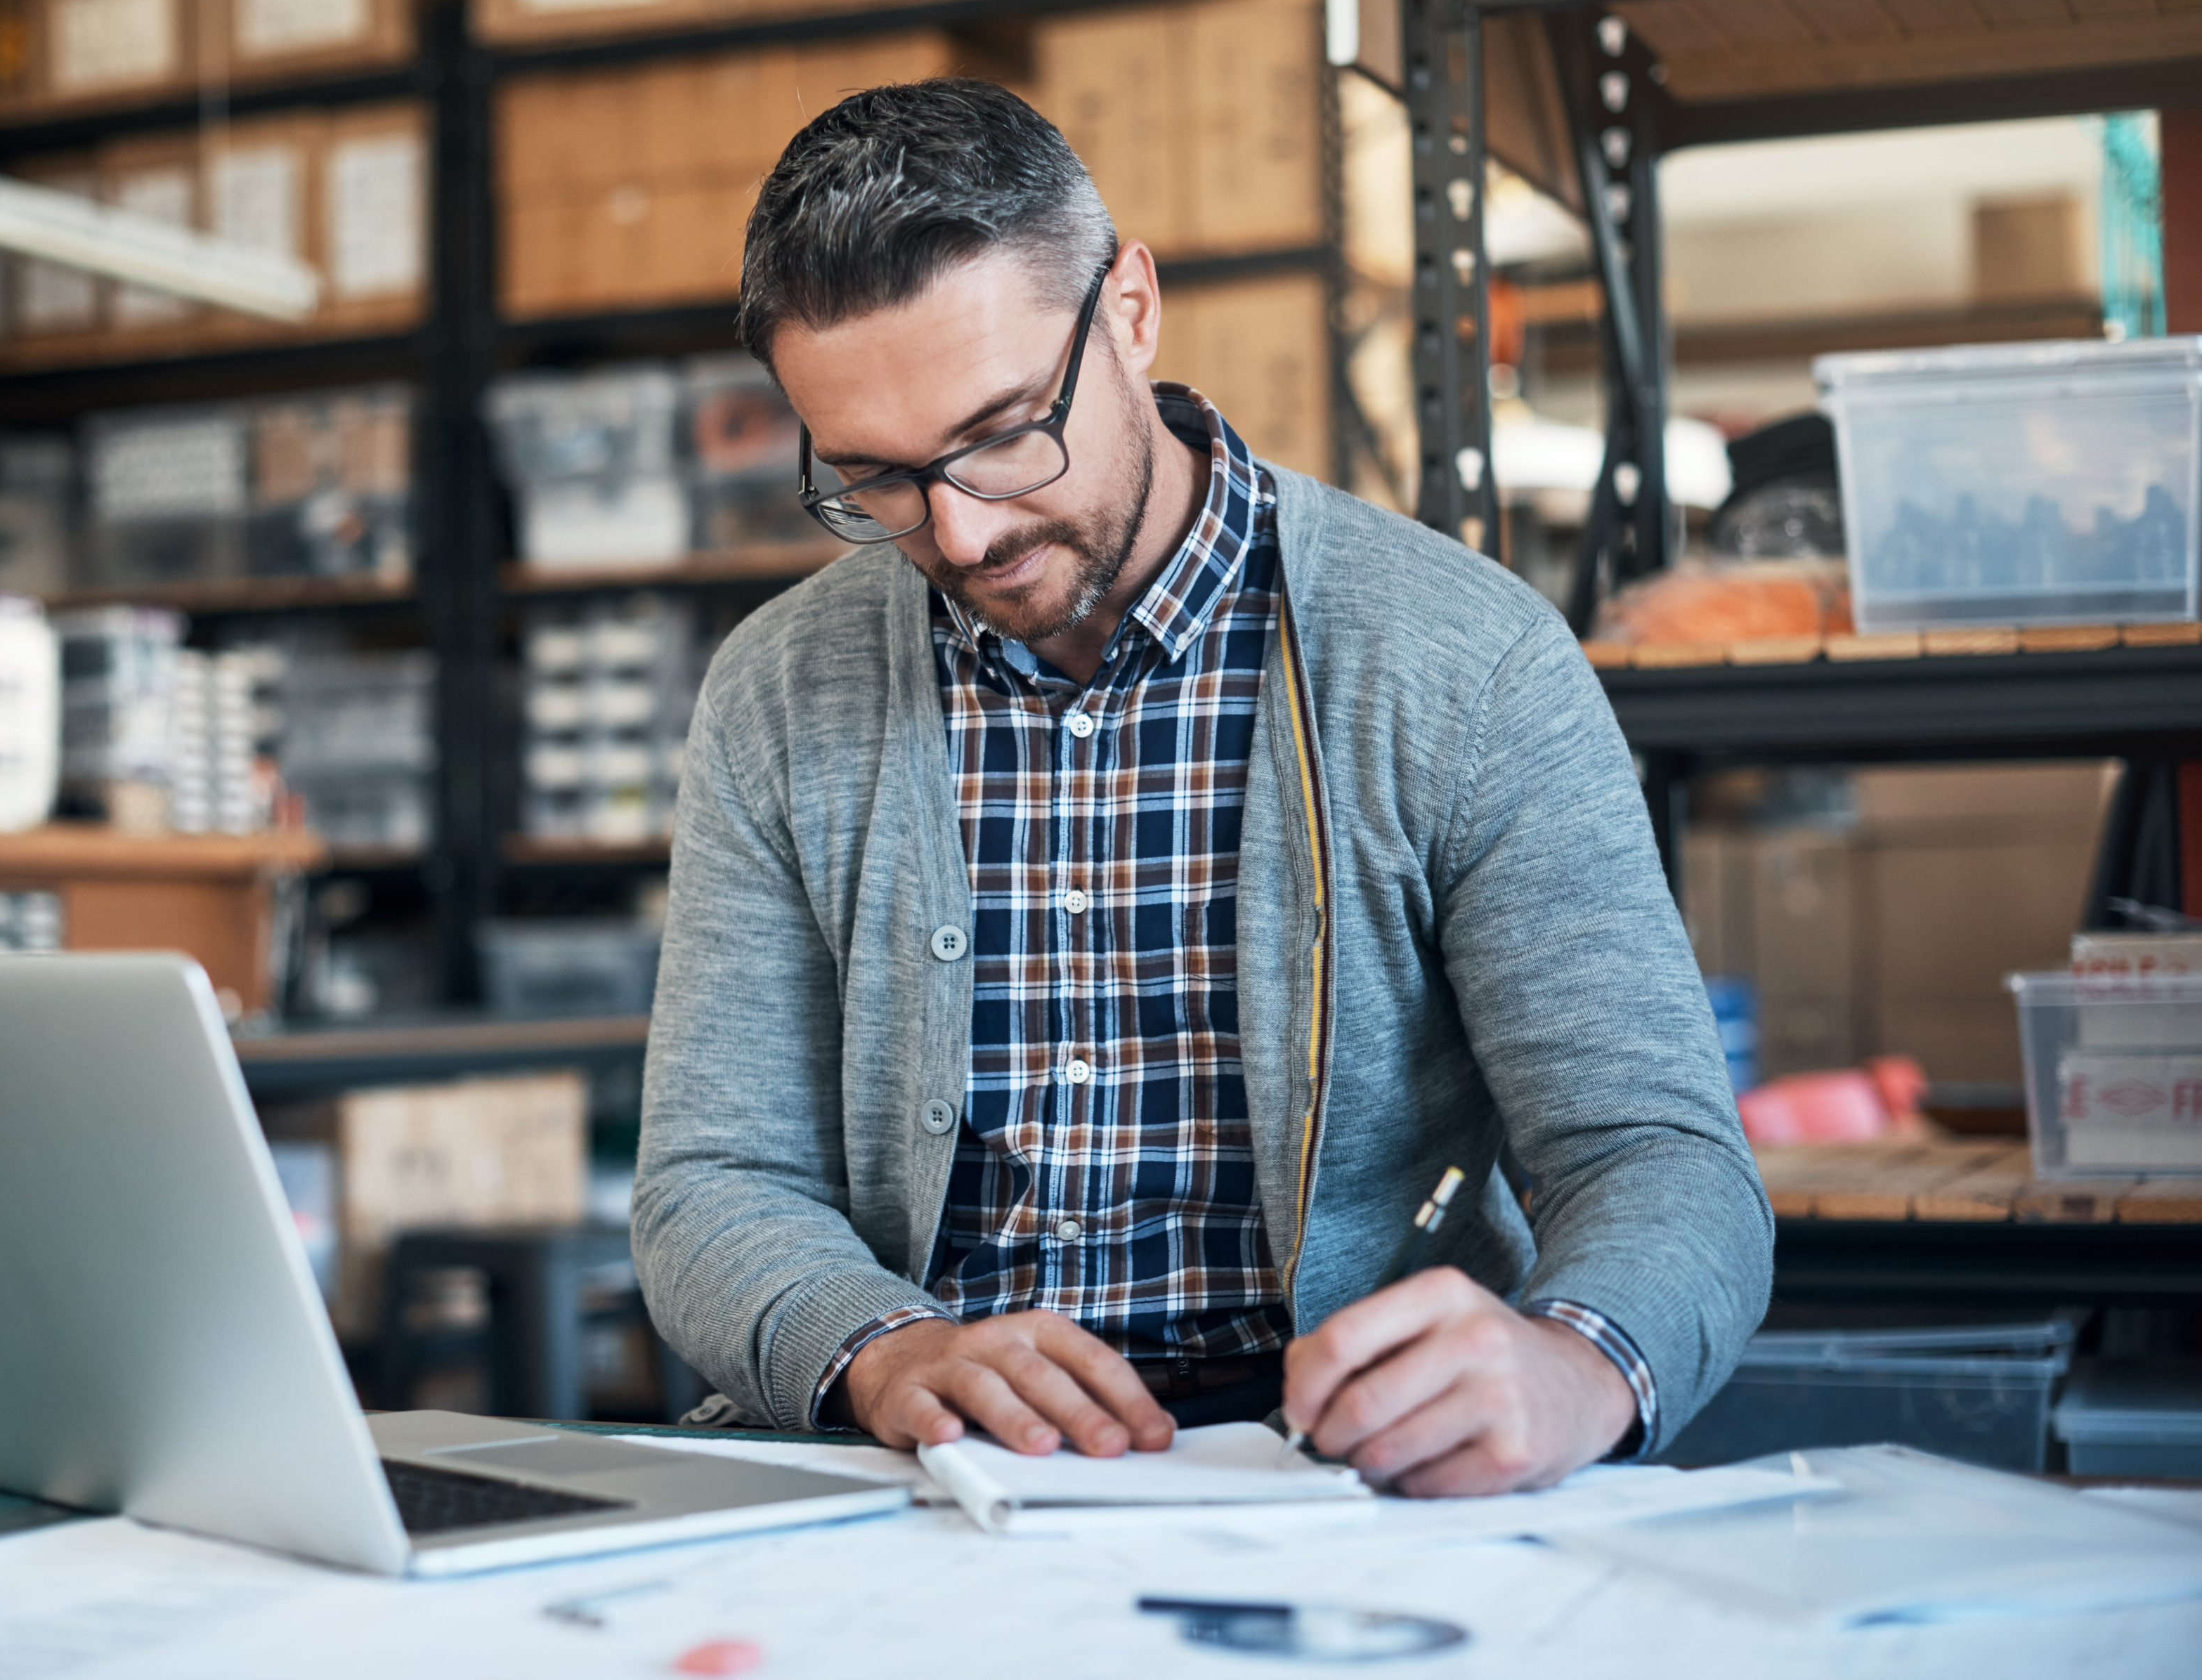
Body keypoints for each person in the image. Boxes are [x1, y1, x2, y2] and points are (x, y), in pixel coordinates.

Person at [629, 79, 1770, 1497]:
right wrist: (875, 1344)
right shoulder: (775, 688)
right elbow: (709, 1182)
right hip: (917, 1464)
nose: (963, 530)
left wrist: (1577, 1360)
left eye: (999, 434)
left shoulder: (1465, 661)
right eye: (876, 479)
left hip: (1333, 1469)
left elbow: (1652, 1151)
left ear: (1130, 311)